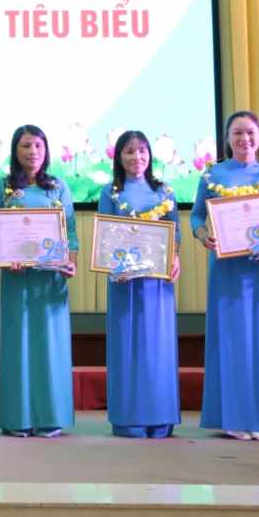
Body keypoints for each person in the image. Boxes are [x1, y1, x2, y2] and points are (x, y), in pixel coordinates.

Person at [190, 110, 259, 441]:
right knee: (233, 339)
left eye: (250, 132)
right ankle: (234, 417)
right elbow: (196, 218)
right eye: (237, 133)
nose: (244, 139)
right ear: (227, 138)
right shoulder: (212, 175)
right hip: (228, 270)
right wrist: (203, 233)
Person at [0, 124, 77, 437]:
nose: (32, 152)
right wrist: (6, 258)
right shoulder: (2, 188)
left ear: (45, 150)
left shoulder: (58, 188)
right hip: (16, 280)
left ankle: (51, 417)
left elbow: (70, 231)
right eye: (25, 146)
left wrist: (69, 263)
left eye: (38, 145)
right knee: (18, 344)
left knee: (50, 346)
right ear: (15, 151)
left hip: (50, 282)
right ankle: (17, 418)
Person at [95, 130, 182, 438]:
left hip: (157, 284)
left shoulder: (165, 191)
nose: (137, 157)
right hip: (124, 282)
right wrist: (111, 266)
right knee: (127, 346)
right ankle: (128, 418)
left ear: (150, 155)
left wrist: (175, 258)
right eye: (129, 152)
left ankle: (160, 417)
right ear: (119, 157)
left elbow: (175, 234)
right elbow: (105, 234)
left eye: (142, 151)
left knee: (158, 347)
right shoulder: (111, 193)